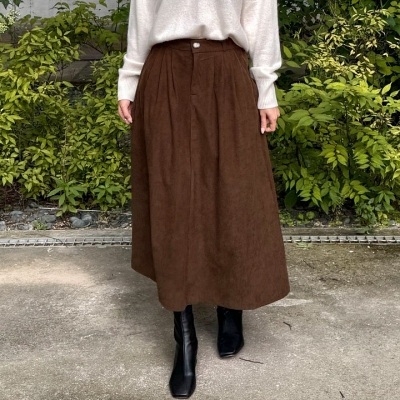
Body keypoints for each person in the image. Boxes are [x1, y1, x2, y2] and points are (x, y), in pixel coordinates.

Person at [117, 0, 290, 398]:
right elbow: (143, 16)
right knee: (172, 201)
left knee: (235, 193)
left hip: (226, 72)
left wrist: (266, 90)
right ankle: (185, 337)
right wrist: (129, 80)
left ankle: (232, 304)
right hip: (165, 72)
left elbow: (260, 17)